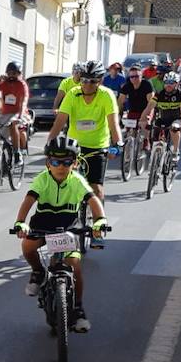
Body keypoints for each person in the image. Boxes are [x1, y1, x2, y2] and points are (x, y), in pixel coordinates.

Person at [12, 132, 107, 334]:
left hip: (68, 227)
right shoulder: (42, 179)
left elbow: (93, 200)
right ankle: (38, 271)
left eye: (66, 162)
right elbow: (28, 201)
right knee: (27, 247)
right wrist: (21, 222)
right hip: (42, 224)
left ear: (74, 163)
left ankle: (78, 309)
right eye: (55, 161)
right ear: (48, 163)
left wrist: (100, 220)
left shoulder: (77, 181)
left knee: (75, 266)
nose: (61, 166)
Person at [45, 60, 121, 208]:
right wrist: (49, 144)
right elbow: (59, 122)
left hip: (97, 146)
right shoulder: (73, 94)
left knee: (96, 187)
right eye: (84, 80)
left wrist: (117, 144)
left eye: (93, 81)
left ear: (100, 81)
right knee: (63, 181)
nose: (87, 85)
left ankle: (98, 222)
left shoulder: (107, 95)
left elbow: (114, 124)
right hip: (74, 146)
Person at [145, 72, 181, 164]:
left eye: (171, 82)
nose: (168, 85)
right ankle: (156, 157)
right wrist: (143, 119)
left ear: (177, 84)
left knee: (174, 128)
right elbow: (149, 108)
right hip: (163, 119)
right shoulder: (159, 94)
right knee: (155, 133)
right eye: (166, 82)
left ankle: (175, 151)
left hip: (176, 119)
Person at [0, 61, 30, 154]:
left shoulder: (22, 84)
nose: (11, 76)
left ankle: (17, 152)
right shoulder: (4, 83)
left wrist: (20, 116)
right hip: (6, 114)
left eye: (14, 73)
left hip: (19, 113)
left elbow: (24, 101)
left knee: (13, 124)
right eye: (9, 73)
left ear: (19, 73)